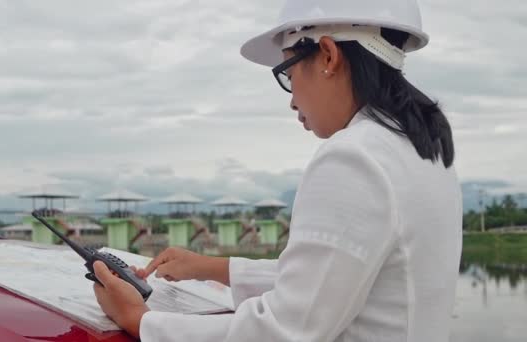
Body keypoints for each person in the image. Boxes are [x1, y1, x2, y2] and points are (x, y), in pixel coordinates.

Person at [92, 0, 463, 340]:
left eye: (287, 72)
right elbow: (335, 277)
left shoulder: (353, 157)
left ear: (328, 56)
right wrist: (213, 267)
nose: (291, 100)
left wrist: (140, 320)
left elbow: (285, 330)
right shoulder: (421, 148)